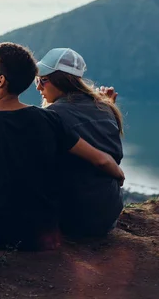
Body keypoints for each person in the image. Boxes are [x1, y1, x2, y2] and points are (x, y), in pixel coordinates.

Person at [0, 42, 125, 251]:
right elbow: (100, 158)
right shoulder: (50, 119)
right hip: (49, 226)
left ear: (1, 80)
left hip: (5, 231)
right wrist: (118, 173)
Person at [35, 48, 124, 237]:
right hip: (108, 214)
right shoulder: (106, 108)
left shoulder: (51, 116)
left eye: (43, 80)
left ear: (61, 80)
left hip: (71, 220)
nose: (38, 87)